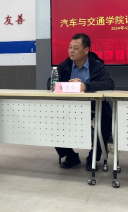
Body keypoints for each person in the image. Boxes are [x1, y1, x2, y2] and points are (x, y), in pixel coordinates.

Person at [49, 33, 115, 171]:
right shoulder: (64, 66)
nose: (71, 51)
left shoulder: (97, 65)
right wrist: (69, 85)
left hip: (93, 106)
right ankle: (70, 156)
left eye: (76, 48)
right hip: (69, 106)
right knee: (51, 119)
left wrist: (85, 86)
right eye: (70, 47)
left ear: (86, 50)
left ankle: (93, 156)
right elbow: (50, 83)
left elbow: (109, 83)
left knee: (106, 117)